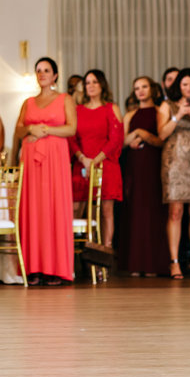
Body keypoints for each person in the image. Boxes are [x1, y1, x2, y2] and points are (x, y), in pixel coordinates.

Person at [15, 57, 77, 286]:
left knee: (54, 207)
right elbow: (18, 129)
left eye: (46, 70)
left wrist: (46, 129)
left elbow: (72, 128)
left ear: (55, 75)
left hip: (55, 158)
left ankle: (56, 268)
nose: (42, 74)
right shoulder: (28, 102)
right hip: (31, 159)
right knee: (32, 209)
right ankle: (33, 267)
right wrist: (30, 128)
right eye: (38, 70)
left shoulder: (64, 99)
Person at [157, 67, 190, 279]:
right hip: (174, 163)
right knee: (175, 211)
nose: (188, 89)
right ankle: (174, 262)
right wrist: (178, 115)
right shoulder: (166, 106)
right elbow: (162, 134)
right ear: (178, 85)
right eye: (185, 84)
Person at [69, 69, 124, 248]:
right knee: (77, 210)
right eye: (87, 83)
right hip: (82, 165)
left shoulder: (111, 108)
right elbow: (72, 138)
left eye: (94, 82)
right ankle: (78, 254)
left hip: (105, 166)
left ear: (102, 85)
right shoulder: (77, 110)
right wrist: (83, 157)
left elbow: (116, 139)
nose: (90, 86)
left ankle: (104, 254)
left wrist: (96, 159)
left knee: (106, 211)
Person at [120, 76, 169, 276]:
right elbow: (122, 142)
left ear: (152, 89)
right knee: (134, 211)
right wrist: (133, 138)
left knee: (153, 212)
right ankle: (134, 264)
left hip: (153, 166)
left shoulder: (159, 112)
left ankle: (153, 265)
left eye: (144, 87)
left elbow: (161, 140)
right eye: (137, 88)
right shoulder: (129, 115)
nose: (140, 91)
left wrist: (141, 133)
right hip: (134, 167)